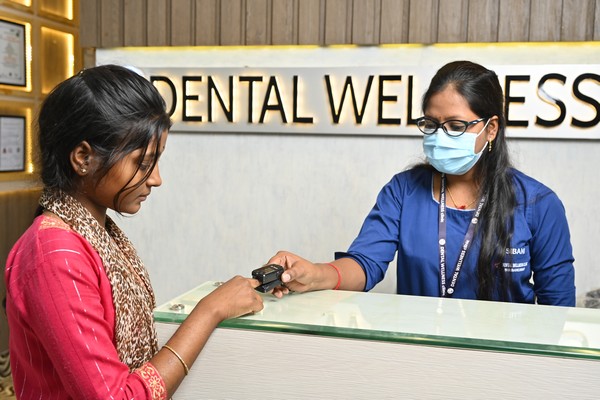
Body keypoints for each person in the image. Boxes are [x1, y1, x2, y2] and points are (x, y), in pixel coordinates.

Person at [4, 65, 264, 399]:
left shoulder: (96, 236)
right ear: (83, 157)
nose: (156, 179)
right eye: (142, 163)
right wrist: (209, 311)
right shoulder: (56, 254)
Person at [268, 60, 575, 306]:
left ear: (491, 128)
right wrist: (315, 274)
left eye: (456, 125)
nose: (440, 135)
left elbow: (558, 308)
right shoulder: (403, 191)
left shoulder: (538, 204)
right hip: (419, 351)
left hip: (505, 359)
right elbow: (364, 264)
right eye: (431, 124)